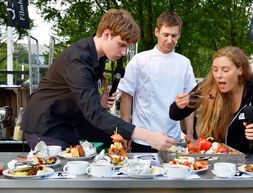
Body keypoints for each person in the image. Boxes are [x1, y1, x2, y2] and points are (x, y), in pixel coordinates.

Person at [21, 9, 176, 150]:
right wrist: (147, 135)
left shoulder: (99, 57)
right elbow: (95, 115)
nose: (123, 52)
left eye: (126, 47)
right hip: (45, 126)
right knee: (64, 176)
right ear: (107, 34)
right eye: (121, 45)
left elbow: (83, 99)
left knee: (116, 139)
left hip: (70, 124)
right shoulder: (78, 59)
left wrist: (99, 101)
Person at [169, 46, 253, 158]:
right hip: (211, 156)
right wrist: (178, 105)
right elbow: (175, 115)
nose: (218, 75)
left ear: (240, 70)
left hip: (245, 159)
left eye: (225, 70)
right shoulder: (207, 87)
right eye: (215, 69)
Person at [118, 11, 196, 152]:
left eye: (174, 35)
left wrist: (190, 133)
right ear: (156, 32)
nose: (170, 40)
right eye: (166, 35)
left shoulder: (184, 63)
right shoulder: (139, 60)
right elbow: (127, 96)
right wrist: (125, 131)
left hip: (173, 139)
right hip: (142, 139)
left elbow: (189, 101)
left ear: (179, 35)